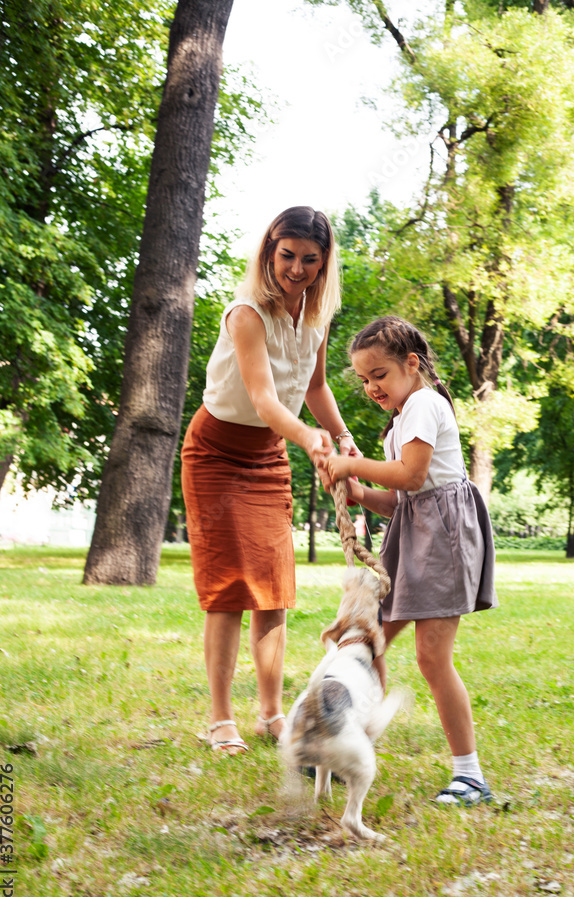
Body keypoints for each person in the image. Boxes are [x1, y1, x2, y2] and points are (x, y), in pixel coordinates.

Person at [181, 207, 358, 755]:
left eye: (310, 259)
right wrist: (308, 438)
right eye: (287, 256)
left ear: (324, 263)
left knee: (273, 592)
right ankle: (220, 719)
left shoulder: (316, 316)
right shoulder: (246, 314)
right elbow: (262, 398)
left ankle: (271, 714)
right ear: (268, 252)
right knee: (228, 591)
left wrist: (342, 437)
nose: (296, 269)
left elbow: (315, 387)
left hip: (268, 455)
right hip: (216, 453)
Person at [325, 316, 497, 805]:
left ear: (412, 363)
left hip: (443, 540)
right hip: (413, 534)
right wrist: (359, 492)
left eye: (379, 374)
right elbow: (402, 499)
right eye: (364, 379)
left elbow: (413, 476)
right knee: (367, 640)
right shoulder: (402, 418)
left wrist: (350, 464)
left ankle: (470, 776)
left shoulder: (423, 403)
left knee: (431, 657)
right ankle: (351, 744)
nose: (371, 387)